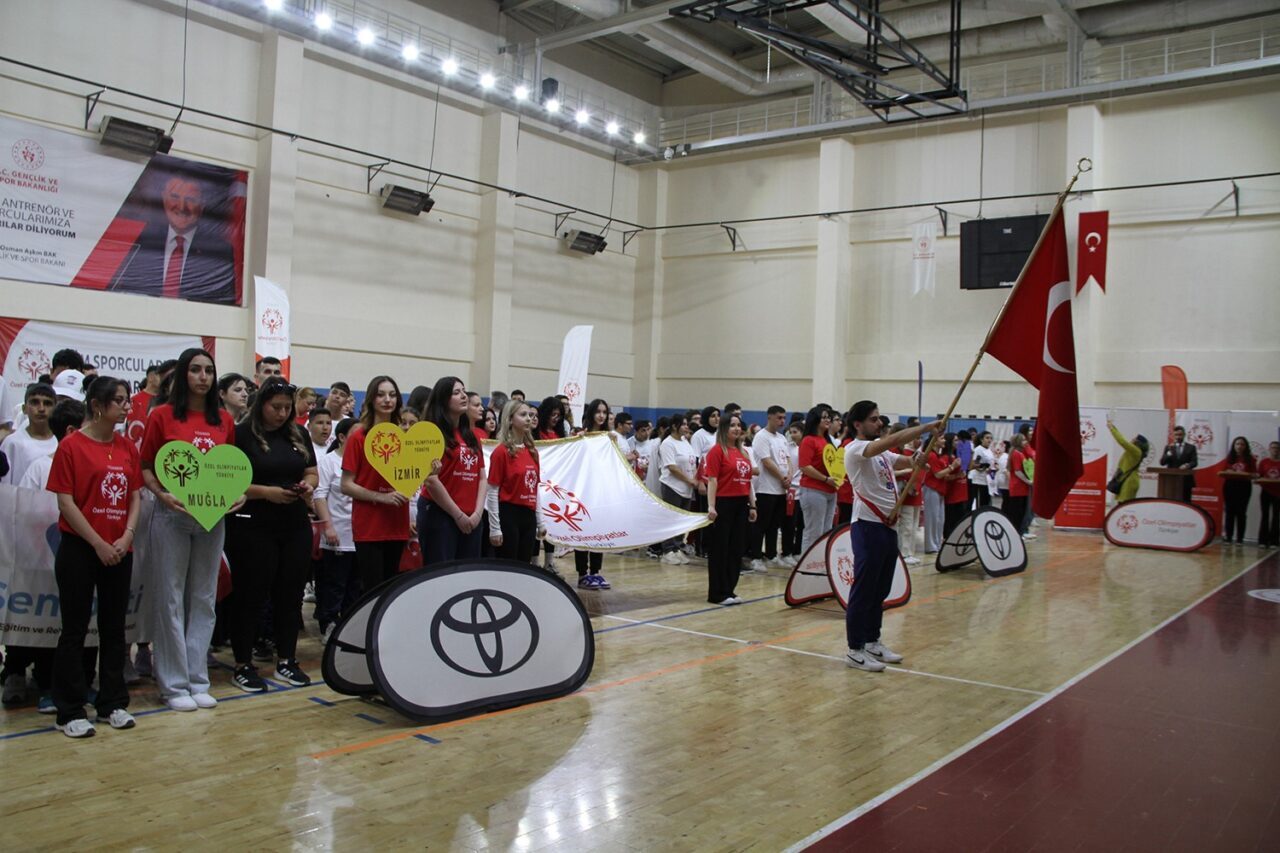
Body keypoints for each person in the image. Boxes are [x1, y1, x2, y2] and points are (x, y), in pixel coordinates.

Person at [139, 348, 237, 712]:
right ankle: (173, 684)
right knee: (170, 597)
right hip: (172, 516)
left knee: (204, 597)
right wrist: (161, 494)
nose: (203, 377)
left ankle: (198, 679)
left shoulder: (223, 419)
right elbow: (146, 466)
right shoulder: (162, 415)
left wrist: (238, 494)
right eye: (195, 370)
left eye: (208, 370)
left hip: (212, 517)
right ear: (183, 375)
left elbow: (231, 468)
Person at [46, 376, 142, 736]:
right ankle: (69, 710)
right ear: (97, 405)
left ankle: (112, 702)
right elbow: (65, 502)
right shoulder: (71, 446)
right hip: (80, 549)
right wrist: (97, 542)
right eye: (119, 400)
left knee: (114, 629)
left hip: (120, 548)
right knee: (74, 629)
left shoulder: (127, 447)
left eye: (127, 400)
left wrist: (126, 535)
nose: (126, 407)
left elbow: (134, 495)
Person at [225, 379, 317, 692]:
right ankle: (242, 663)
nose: (281, 413)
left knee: (290, 595)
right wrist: (267, 492)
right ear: (261, 404)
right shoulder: (241, 435)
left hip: (294, 524)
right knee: (250, 596)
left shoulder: (299, 434)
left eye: (287, 408)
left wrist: (307, 486)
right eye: (275, 407)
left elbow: (311, 471)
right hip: (252, 525)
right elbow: (228, 480)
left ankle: (287, 659)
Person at [842, 401, 943, 673]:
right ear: (858, 424)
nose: (879, 423)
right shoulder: (855, 449)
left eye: (879, 419)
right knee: (864, 590)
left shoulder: (881, 453)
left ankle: (872, 640)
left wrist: (916, 459)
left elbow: (905, 461)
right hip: (867, 526)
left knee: (880, 589)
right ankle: (854, 649)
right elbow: (893, 441)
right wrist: (926, 427)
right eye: (873, 419)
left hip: (887, 527)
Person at [112, 173, 236, 304]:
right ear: (164, 199)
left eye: (190, 199)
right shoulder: (142, 244)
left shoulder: (219, 252)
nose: (182, 206)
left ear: (202, 206)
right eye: (175, 197)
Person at [341, 376, 410, 592]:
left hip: (398, 523)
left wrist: (430, 469)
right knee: (372, 589)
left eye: (392, 395)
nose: (387, 400)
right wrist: (381, 497)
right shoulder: (358, 437)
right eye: (381, 395)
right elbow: (346, 485)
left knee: (392, 590)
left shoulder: (405, 438)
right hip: (369, 524)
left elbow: (410, 479)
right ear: (371, 399)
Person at [419, 377, 486, 567]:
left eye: (464, 391)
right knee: (441, 574)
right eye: (456, 393)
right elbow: (431, 480)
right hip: (440, 514)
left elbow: (482, 477)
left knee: (468, 575)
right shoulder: (431, 434)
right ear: (443, 400)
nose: (463, 396)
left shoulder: (471, 436)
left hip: (472, 517)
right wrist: (458, 515)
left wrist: (477, 514)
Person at [313, 417, 359, 639]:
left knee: (355, 586)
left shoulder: (365, 461)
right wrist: (328, 527)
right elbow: (319, 495)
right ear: (341, 437)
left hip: (360, 534)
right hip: (338, 533)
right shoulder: (329, 461)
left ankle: (350, 628)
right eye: (356, 435)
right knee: (335, 584)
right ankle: (329, 625)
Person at [704, 413, 757, 605]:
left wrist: (752, 505)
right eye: (732, 425)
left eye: (738, 425)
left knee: (736, 549)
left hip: (741, 505)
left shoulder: (743, 453)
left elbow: (748, 482)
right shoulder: (716, 451)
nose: (736, 428)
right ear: (724, 428)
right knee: (721, 549)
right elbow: (712, 480)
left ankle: (729, 590)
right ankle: (717, 593)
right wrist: (711, 506)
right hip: (723, 504)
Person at [486, 400, 544, 565]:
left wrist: (540, 522)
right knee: (508, 566)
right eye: (523, 415)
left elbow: (535, 490)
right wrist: (495, 528)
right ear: (510, 419)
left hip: (529, 517)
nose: (529, 419)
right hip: (509, 515)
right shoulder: (501, 452)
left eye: (530, 415)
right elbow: (492, 491)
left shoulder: (532, 451)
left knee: (525, 566)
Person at [573, 399, 615, 589]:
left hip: (601, 492)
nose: (601, 415)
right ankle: (582, 573)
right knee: (583, 533)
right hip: (583, 492)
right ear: (591, 414)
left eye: (604, 412)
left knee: (600, 532)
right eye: (598, 412)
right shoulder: (581, 436)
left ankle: (595, 572)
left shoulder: (610, 438)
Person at [752, 406, 792, 569]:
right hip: (765, 488)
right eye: (779, 418)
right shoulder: (761, 437)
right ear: (769, 417)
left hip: (780, 489)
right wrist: (782, 477)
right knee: (761, 524)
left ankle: (771, 554)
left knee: (774, 525)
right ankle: (755, 556)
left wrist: (789, 475)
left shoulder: (782, 438)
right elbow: (767, 461)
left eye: (784, 418)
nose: (782, 421)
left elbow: (788, 459)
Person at [658, 413, 698, 565]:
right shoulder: (668, 444)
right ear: (675, 426)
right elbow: (672, 467)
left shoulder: (685, 442)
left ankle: (677, 547)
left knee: (681, 520)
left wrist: (695, 478)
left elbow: (692, 463)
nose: (687, 427)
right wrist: (689, 480)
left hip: (687, 488)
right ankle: (667, 550)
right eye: (684, 424)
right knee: (671, 519)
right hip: (672, 487)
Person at [797, 405, 838, 555]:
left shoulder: (827, 441)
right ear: (815, 419)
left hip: (831, 490)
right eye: (824, 417)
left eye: (829, 417)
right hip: (814, 490)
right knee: (813, 531)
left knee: (826, 532)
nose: (828, 420)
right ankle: (808, 564)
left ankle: (821, 561)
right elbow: (804, 466)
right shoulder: (808, 440)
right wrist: (825, 479)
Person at [891, 425, 924, 566]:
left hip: (916, 492)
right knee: (906, 525)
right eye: (916, 437)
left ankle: (910, 551)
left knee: (913, 525)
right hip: (905, 493)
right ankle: (904, 552)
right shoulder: (902, 452)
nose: (919, 440)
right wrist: (907, 474)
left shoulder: (915, 454)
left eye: (920, 438)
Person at [922, 434, 958, 553]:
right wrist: (952, 467)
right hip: (932, 488)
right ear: (934, 441)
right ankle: (930, 545)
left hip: (940, 489)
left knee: (939, 519)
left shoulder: (938, 455)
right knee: (932, 519)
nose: (944, 441)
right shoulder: (931, 455)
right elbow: (938, 474)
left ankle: (937, 543)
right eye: (942, 438)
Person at [1220, 437, 1257, 545]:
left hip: (1244, 486)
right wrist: (1228, 471)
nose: (1239, 446)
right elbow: (1222, 471)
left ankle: (1240, 539)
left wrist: (1248, 474)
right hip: (1230, 486)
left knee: (1241, 513)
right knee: (1229, 512)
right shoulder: (1229, 458)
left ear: (1245, 446)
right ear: (1234, 446)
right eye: (1237, 444)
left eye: (1242, 444)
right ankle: (1228, 537)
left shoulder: (1250, 459)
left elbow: (1255, 474)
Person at [1106, 420, 1149, 505]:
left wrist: (1111, 429)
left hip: (1129, 481)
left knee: (1124, 506)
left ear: (1138, 443)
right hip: (1127, 479)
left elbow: (1122, 441)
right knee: (1122, 505)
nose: (1132, 439)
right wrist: (1113, 427)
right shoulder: (1135, 450)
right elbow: (1122, 439)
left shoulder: (1136, 451)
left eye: (1135, 438)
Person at [1004, 434, 1035, 536]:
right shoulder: (1016, 454)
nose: (1025, 442)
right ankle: (1015, 534)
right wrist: (1028, 481)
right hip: (1018, 487)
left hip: (1023, 488)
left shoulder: (1021, 453)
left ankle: (1020, 533)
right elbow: (1017, 471)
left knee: (1022, 512)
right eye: (1023, 440)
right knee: (1017, 513)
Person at [1159, 425, 1198, 503]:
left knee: (1186, 502)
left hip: (1186, 480)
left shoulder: (1191, 447)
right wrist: (1169, 452)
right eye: (1176, 435)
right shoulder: (1169, 447)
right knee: (1171, 502)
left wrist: (1187, 465)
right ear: (1173, 436)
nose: (1178, 437)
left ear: (1184, 435)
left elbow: (1194, 462)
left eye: (1180, 435)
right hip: (1171, 480)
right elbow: (1162, 462)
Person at [1257, 441, 1280, 549]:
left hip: (1278, 493)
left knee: (1276, 517)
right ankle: (1262, 541)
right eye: (1273, 448)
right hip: (1266, 492)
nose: (1275, 450)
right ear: (1269, 449)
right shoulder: (1264, 462)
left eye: (1277, 448)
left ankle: (1274, 542)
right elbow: (1258, 476)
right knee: (1265, 516)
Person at [969, 431, 994, 507]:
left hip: (988, 480)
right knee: (980, 503)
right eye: (987, 438)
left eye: (990, 438)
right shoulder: (978, 450)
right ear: (981, 439)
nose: (989, 440)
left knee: (986, 502)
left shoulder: (989, 450)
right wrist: (983, 466)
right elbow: (973, 465)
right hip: (979, 481)